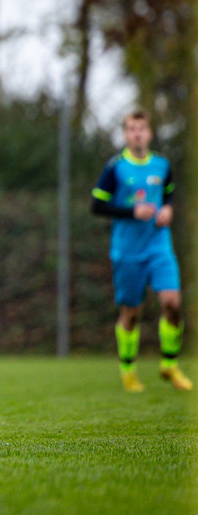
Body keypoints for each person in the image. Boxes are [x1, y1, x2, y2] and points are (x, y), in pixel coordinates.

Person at [91, 109, 191, 392]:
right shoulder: (115, 167)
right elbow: (97, 205)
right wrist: (132, 211)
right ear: (125, 134)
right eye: (132, 129)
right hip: (127, 251)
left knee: (172, 303)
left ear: (150, 133)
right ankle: (128, 370)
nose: (137, 133)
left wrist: (168, 208)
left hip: (159, 246)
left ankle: (169, 364)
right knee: (131, 314)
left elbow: (169, 192)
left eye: (142, 128)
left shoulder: (162, 165)